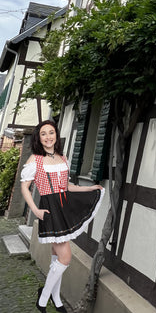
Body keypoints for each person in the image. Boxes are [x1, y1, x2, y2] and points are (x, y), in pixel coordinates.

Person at [20, 119, 104, 313]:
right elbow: (25, 187)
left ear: (56, 135)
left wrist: (89, 188)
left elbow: (66, 186)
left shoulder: (62, 158)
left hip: (63, 207)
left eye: (51, 132)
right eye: (43, 133)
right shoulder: (35, 160)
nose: (48, 136)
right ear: (38, 138)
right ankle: (43, 299)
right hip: (49, 209)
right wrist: (35, 210)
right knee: (65, 258)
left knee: (57, 256)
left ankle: (56, 298)